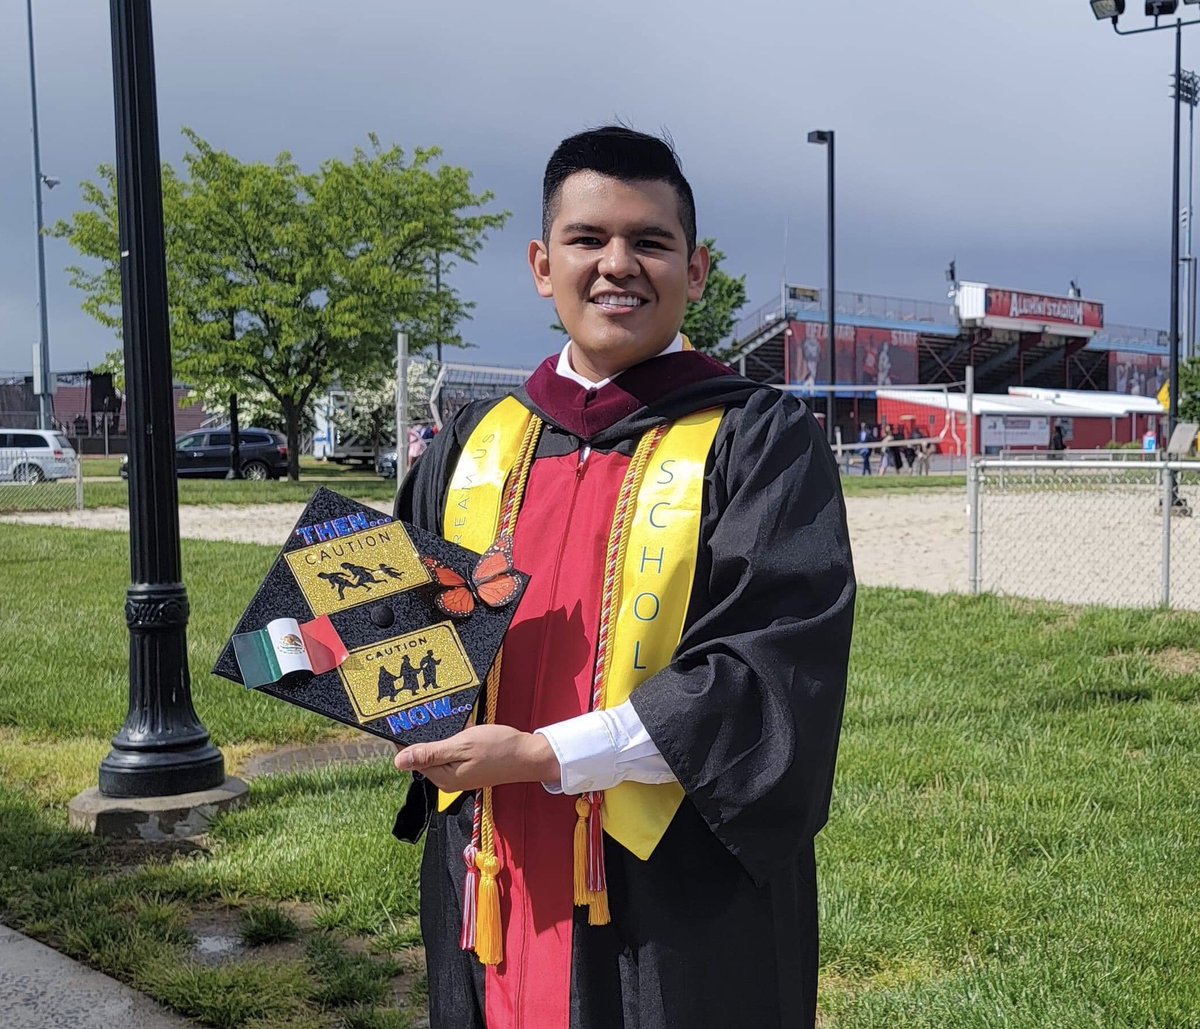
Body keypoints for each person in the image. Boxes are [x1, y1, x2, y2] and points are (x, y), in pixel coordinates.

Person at [390, 126, 855, 1029]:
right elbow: (408, 626)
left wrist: (544, 756)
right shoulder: (473, 442)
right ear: (540, 262)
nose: (617, 265)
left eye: (650, 241)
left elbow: (769, 672)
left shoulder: (760, 441)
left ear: (698, 269)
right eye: (587, 239)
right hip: (490, 858)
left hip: (675, 880)